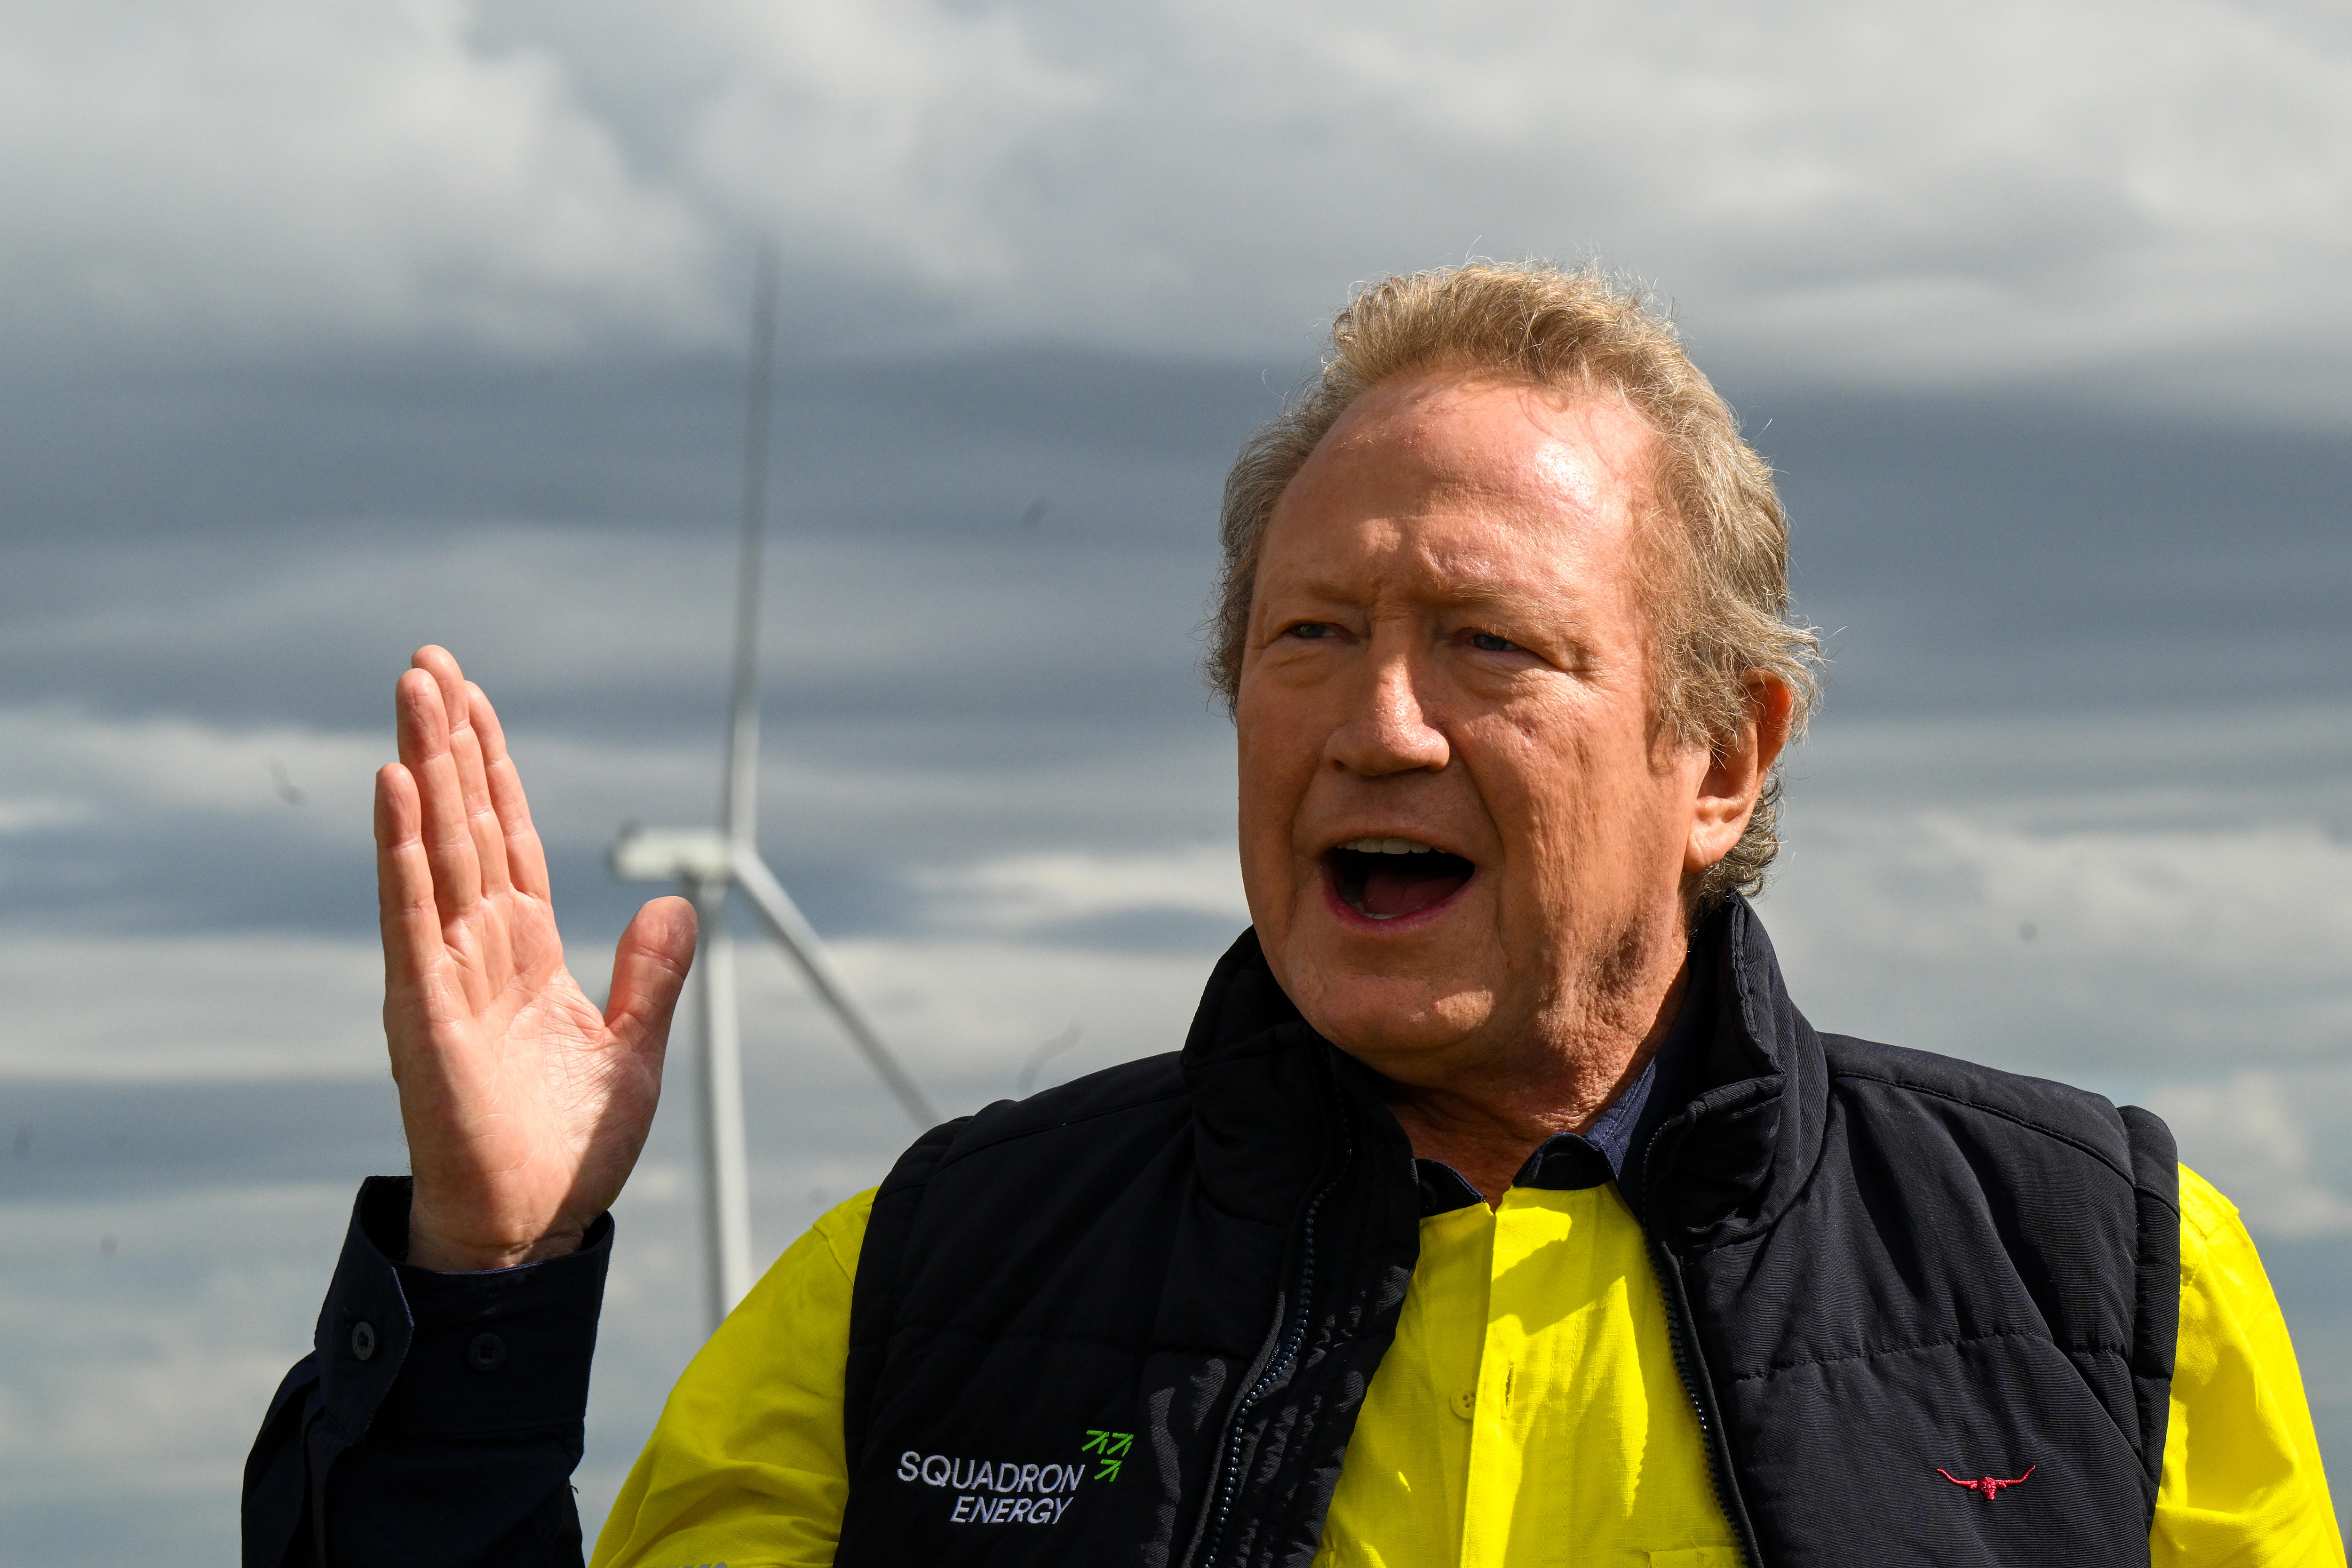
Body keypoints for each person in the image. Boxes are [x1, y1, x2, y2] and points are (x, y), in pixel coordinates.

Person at [243, 263, 2342, 1568]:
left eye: (1487, 646)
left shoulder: (2100, 1272)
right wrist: (483, 1290)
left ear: (1722, 753)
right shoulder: (930, 1278)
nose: (1373, 721)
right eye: (1306, 633)